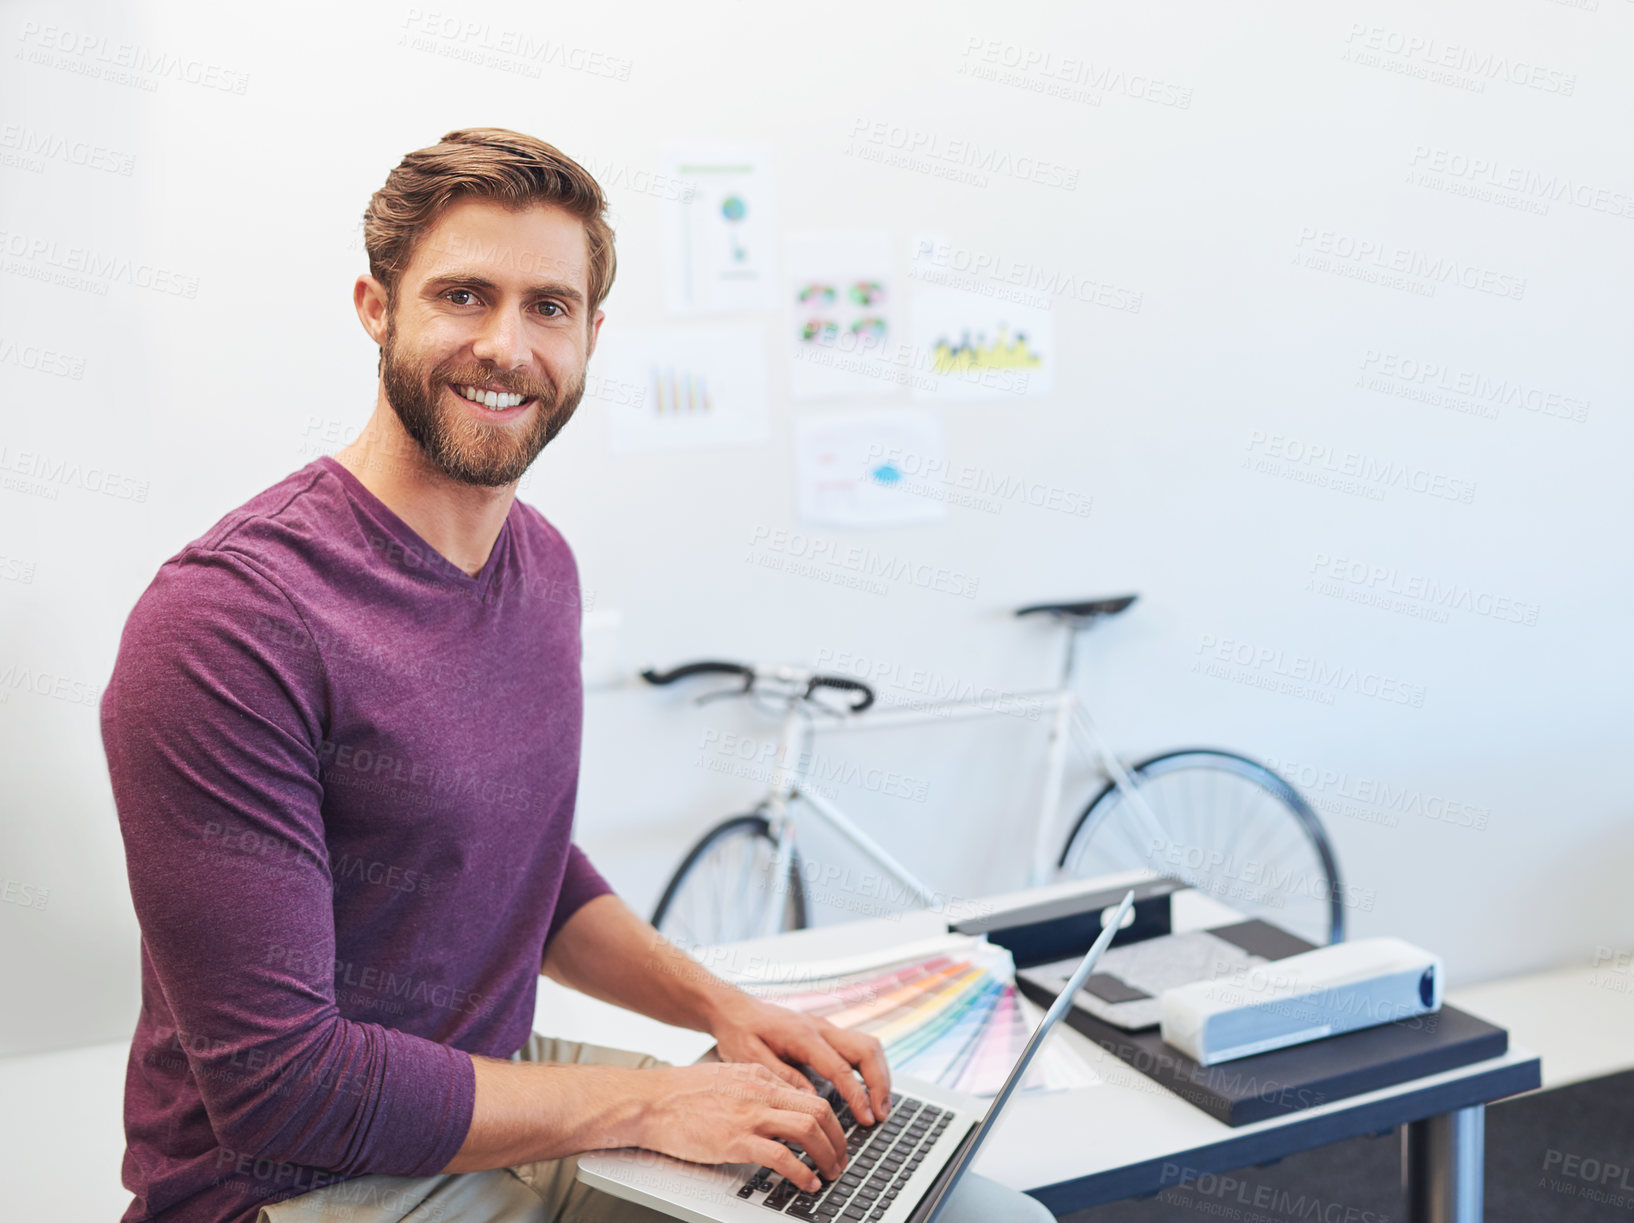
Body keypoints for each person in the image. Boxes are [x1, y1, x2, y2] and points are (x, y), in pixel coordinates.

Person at [102, 127, 1050, 1223]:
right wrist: (646, 1107)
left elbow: (525, 870)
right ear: (376, 307)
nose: (506, 345)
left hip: (499, 1083)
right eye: (463, 295)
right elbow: (282, 1090)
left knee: (985, 1215)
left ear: (591, 333)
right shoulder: (229, 622)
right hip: (301, 1180)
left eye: (547, 307)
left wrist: (725, 1007)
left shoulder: (539, 564)